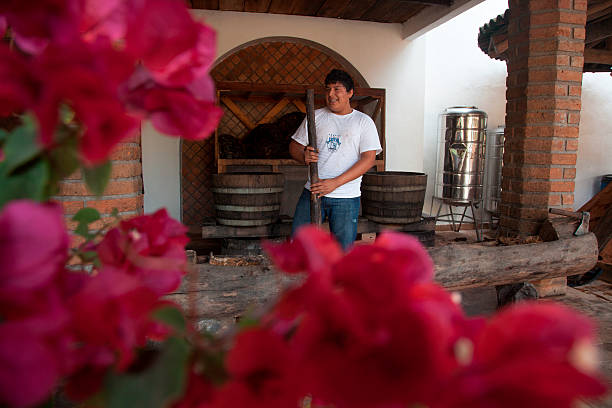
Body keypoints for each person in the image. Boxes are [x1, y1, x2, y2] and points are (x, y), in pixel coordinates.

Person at [289, 69, 382, 249]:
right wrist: (303, 156)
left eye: (337, 89)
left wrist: (335, 183)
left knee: (342, 250)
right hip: (313, 191)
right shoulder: (315, 116)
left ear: (350, 93)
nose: (331, 94)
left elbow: (368, 159)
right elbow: (294, 146)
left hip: (346, 197)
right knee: (299, 245)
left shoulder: (363, 122)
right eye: (328, 89)